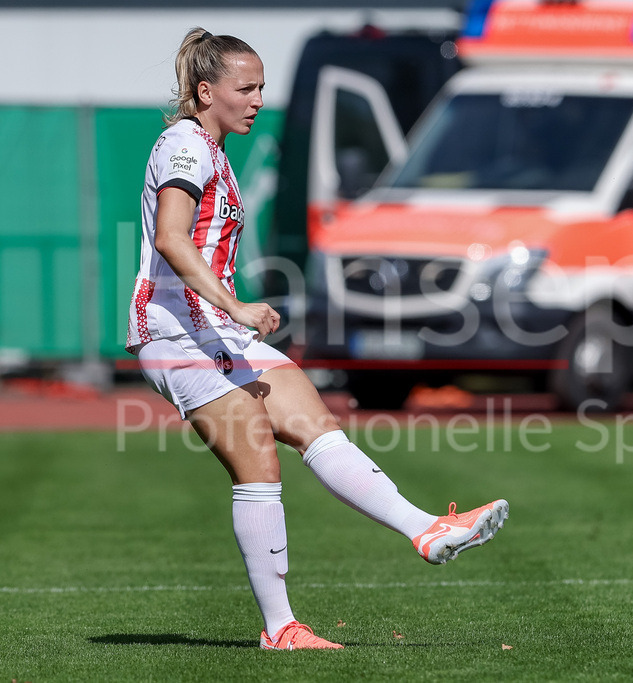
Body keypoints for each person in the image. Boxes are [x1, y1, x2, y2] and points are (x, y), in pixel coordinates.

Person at [125, 27, 508, 651]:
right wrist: (235, 302)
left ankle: (427, 530)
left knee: (316, 425)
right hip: (174, 331)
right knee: (259, 464)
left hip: (212, 326)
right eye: (244, 88)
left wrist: (228, 312)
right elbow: (171, 237)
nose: (256, 99)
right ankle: (281, 629)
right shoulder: (185, 145)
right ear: (205, 91)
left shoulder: (213, 149)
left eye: (261, 89)